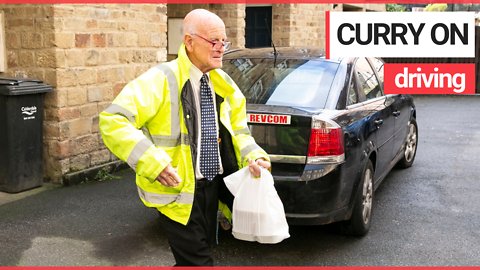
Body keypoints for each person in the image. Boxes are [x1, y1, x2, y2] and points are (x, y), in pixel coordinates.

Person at [99, 8, 271, 266]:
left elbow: (239, 131)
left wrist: (254, 156)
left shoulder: (223, 83)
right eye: (213, 41)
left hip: (213, 187)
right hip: (177, 191)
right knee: (199, 262)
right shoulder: (161, 79)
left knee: (191, 259)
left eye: (224, 42)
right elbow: (113, 120)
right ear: (189, 42)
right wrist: (152, 162)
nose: (220, 48)